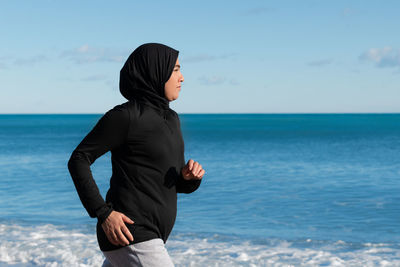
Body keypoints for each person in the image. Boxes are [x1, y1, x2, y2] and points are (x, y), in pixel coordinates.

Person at [67, 43, 204, 267]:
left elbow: (170, 181)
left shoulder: (172, 119)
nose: (182, 78)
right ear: (155, 71)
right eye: (176, 69)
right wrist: (103, 213)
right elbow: (79, 159)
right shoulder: (126, 117)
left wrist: (189, 178)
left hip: (153, 235)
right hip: (131, 234)